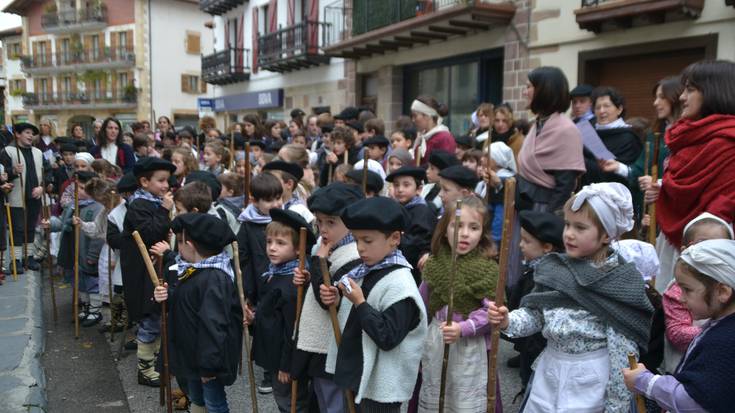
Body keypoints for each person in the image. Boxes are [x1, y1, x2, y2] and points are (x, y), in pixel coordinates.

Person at [489, 182, 655, 412]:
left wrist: (616, 405)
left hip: (590, 382)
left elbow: (622, 354)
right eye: (567, 225)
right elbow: (537, 316)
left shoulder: (619, 283)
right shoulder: (555, 268)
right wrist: (509, 321)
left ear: (606, 234)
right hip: (549, 373)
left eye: (580, 227)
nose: (569, 234)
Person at [320, 196, 427, 412]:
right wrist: (338, 299)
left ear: (395, 238)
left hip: (380, 388)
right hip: (357, 373)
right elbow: (354, 317)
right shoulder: (366, 269)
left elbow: (387, 337)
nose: (360, 248)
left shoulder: (401, 285)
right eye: (356, 239)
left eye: (367, 241)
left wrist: (359, 302)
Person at [646, 60, 735, 294]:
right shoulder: (685, 137)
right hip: (673, 245)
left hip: (709, 253)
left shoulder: (730, 143)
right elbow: (683, 188)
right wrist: (663, 189)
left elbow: (723, 206)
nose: (682, 97)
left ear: (714, 91)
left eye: (691, 89)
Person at [623, 239, 735, 413]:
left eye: (687, 290)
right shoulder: (720, 327)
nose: (681, 298)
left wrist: (646, 382)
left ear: (722, 292)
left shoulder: (725, 341)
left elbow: (694, 402)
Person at [151, 213, 241, 413]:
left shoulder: (215, 278)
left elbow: (213, 324)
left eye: (179, 244)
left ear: (189, 246)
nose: (177, 249)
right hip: (191, 353)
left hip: (207, 358)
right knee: (196, 397)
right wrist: (163, 297)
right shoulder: (192, 269)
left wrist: (208, 366)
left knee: (214, 402)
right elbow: (182, 301)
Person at [418, 196, 499, 412]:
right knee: (437, 392)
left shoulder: (487, 269)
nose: (465, 233)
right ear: (445, 230)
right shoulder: (434, 264)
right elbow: (422, 304)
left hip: (469, 346)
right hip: (437, 339)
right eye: (457, 226)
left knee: (464, 401)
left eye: (474, 228)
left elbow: (491, 313)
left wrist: (464, 328)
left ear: (482, 233)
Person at [291, 183, 363, 413]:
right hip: (320, 347)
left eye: (331, 222)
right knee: (321, 401)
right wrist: (307, 277)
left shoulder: (353, 256)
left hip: (333, 347)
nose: (323, 229)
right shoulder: (325, 248)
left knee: (334, 404)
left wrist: (320, 262)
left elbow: (327, 302)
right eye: (319, 221)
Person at [250, 208, 315, 412]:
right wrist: (254, 318)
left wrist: (287, 365)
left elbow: (292, 328)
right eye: (269, 242)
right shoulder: (274, 272)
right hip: (274, 353)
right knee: (283, 398)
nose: (272, 248)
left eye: (280, 243)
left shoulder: (292, 284)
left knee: (291, 402)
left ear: (298, 250)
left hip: (284, 358)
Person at [119, 157, 176, 387]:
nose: (166, 186)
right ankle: (144, 369)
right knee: (150, 316)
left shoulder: (152, 202)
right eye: (161, 180)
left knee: (156, 315)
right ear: (144, 181)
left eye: (167, 181)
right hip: (142, 273)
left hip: (155, 266)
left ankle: (153, 362)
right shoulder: (139, 206)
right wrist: (164, 211)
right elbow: (151, 233)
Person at [662, 212, 733, 374]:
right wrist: (719, 332)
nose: (713, 253)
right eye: (704, 245)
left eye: (722, 247)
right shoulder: (679, 290)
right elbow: (677, 333)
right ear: (685, 250)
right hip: (686, 369)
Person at [601, 76, 681, 221]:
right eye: (655, 97)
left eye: (661, 97)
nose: (655, 103)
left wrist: (659, 182)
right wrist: (618, 167)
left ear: (675, 97)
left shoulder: (687, 134)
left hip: (675, 208)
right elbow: (639, 169)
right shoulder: (655, 134)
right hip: (652, 209)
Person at [506, 210, 564, 398]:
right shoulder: (533, 268)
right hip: (527, 341)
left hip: (537, 345)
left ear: (547, 247)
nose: (521, 245)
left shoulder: (546, 277)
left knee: (534, 383)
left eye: (527, 241)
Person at [236, 172, 283, 394]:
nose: (276, 204)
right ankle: (267, 371)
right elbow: (243, 259)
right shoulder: (247, 225)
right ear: (255, 201)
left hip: (283, 281)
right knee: (263, 328)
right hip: (259, 284)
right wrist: (246, 291)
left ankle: (282, 367)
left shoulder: (285, 220)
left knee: (282, 325)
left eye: (278, 198)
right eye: (269, 200)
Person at [1, 122, 46, 272]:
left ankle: (29, 257)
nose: (30, 136)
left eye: (32, 133)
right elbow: (2, 173)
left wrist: (42, 187)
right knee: (17, 228)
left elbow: (47, 174)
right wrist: (12, 171)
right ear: (17, 134)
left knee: (31, 227)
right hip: (16, 196)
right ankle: (15, 260)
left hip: (34, 196)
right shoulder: (8, 151)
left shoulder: (38, 153)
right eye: (26, 132)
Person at [580, 86, 643, 188]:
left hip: (616, 195)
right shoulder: (587, 134)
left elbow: (632, 173)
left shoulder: (628, 137)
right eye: (597, 107)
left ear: (619, 109)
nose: (602, 111)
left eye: (606, 106)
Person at [386, 166, 436, 284]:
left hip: (414, 268)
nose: (400, 189)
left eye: (406, 185)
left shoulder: (421, 211)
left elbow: (417, 242)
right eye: (396, 185)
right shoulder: (397, 208)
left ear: (418, 189)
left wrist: (393, 240)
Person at [411, 95, 455, 167]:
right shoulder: (421, 138)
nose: (413, 120)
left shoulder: (444, 138)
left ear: (427, 116)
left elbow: (443, 168)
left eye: (415, 116)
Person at [420, 150, 459, 216]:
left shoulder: (449, 196)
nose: (427, 171)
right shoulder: (426, 188)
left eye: (432, 168)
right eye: (428, 167)